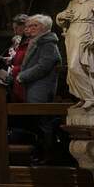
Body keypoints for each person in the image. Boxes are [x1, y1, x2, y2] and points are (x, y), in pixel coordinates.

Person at [16, 14, 62, 163]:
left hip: (41, 88)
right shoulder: (37, 41)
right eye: (28, 26)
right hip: (33, 87)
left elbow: (44, 66)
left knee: (43, 122)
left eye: (34, 25)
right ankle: (40, 153)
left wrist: (23, 76)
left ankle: (48, 156)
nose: (29, 29)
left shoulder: (48, 43)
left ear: (44, 27)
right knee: (37, 123)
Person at [4, 14, 30, 102]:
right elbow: (21, 59)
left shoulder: (31, 42)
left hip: (25, 83)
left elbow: (31, 64)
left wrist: (14, 69)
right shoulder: (22, 41)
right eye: (13, 29)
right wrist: (12, 60)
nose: (14, 32)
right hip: (17, 81)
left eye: (16, 28)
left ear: (24, 26)